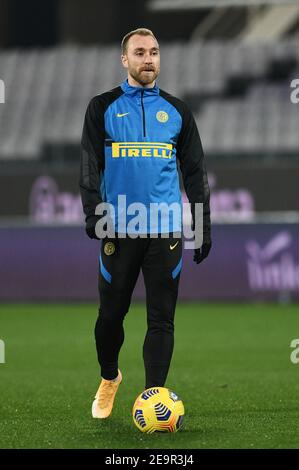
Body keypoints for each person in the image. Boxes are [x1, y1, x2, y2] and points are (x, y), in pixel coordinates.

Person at [79, 28, 211, 419]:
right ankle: (109, 377)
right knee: (109, 318)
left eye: (154, 52)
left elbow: (195, 173)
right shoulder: (101, 107)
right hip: (118, 228)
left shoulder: (177, 111)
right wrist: (94, 215)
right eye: (140, 53)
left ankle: (154, 400)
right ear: (125, 60)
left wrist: (202, 225)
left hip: (165, 230)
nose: (148, 59)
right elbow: (89, 166)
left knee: (161, 319)